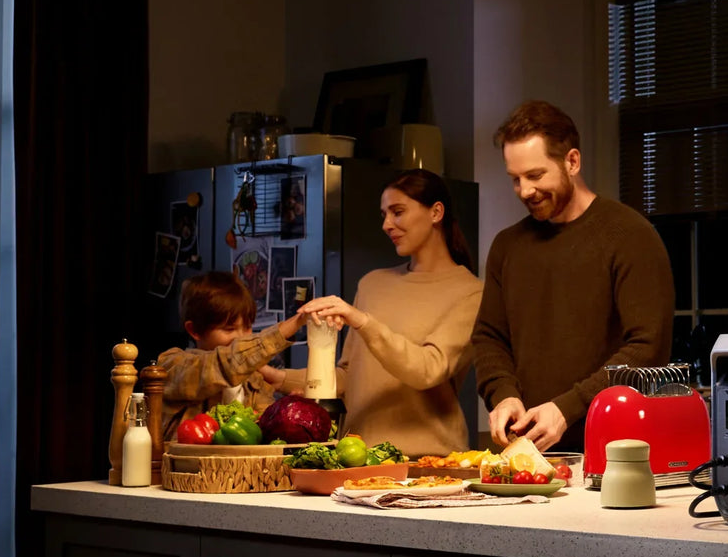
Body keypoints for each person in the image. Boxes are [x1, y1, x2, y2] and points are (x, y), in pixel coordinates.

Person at [473, 100, 674, 452]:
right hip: (524, 457)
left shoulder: (629, 235)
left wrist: (568, 408)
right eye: (515, 179)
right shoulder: (507, 246)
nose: (525, 190)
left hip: (614, 455)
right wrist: (503, 395)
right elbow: (489, 338)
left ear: (572, 162)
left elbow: (648, 348)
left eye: (535, 175)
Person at [282, 170, 483, 458]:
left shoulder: (470, 292)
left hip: (427, 463)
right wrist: (277, 377)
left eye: (397, 212)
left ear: (436, 212)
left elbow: (428, 370)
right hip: (355, 456)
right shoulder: (372, 283)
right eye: (384, 214)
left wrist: (363, 322)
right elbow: (349, 377)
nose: (387, 224)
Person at [158, 272, 306, 441]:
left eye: (248, 327)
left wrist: (286, 410)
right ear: (194, 330)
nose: (242, 337)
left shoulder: (254, 380)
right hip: (186, 466)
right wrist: (290, 326)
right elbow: (224, 364)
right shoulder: (172, 364)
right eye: (229, 329)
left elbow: (263, 430)